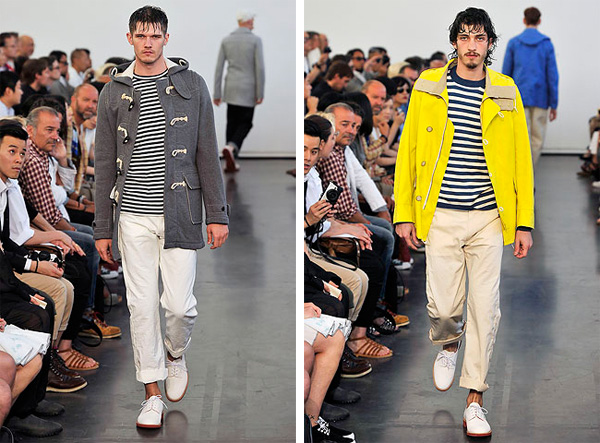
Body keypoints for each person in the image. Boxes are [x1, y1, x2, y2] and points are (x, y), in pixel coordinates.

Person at [394, 7, 534, 438]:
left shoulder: (506, 90)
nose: (472, 45)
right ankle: (449, 341)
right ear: (454, 41)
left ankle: (475, 399)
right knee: (443, 308)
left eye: (480, 37)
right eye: (465, 37)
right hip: (440, 213)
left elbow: (521, 159)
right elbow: (409, 150)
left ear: (490, 43)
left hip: (489, 216)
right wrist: (403, 213)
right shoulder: (428, 85)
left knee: (485, 309)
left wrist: (524, 223)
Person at [94, 5, 230, 429]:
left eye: (155, 36)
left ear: (166, 38)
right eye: (141, 35)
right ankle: (151, 393)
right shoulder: (113, 91)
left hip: (181, 211)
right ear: (130, 38)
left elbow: (206, 151)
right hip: (132, 213)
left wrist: (218, 213)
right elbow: (104, 162)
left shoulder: (192, 83)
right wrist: (102, 227)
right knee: (140, 305)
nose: (148, 43)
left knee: (179, 306)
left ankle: (175, 353)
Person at [502, 6, 558, 165]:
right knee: (537, 138)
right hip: (541, 97)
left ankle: (522, 172)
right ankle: (530, 171)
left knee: (521, 137)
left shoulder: (514, 43)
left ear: (524, 20)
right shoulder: (546, 44)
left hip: (518, 97)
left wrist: (504, 100)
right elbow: (552, 75)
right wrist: (553, 104)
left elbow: (506, 75)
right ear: (539, 21)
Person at [213, 9, 265, 173]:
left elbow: (219, 68)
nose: (253, 23)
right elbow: (259, 68)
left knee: (232, 122)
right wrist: (260, 92)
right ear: (248, 22)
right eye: (253, 21)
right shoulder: (255, 40)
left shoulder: (227, 40)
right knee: (246, 122)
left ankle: (230, 158)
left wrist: (217, 93)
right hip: (248, 87)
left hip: (231, 86)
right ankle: (231, 147)